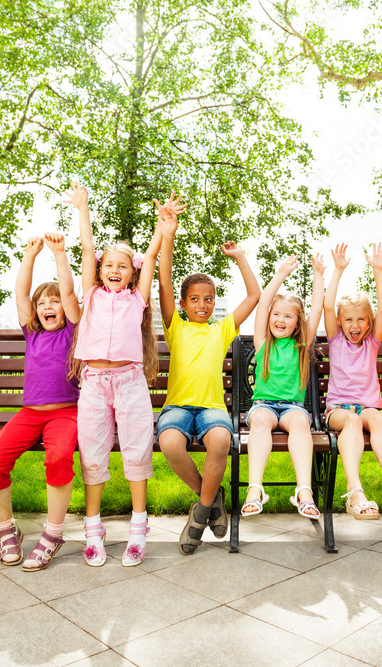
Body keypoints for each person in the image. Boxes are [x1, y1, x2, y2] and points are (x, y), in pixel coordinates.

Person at [68, 183, 182, 567]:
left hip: (131, 383)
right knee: (93, 455)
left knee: (136, 452)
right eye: (108, 265)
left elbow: (150, 256)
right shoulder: (92, 296)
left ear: (132, 276)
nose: (115, 270)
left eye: (122, 266)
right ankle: (93, 528)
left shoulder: (137, 298)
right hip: (95, 385)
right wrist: (83, 209)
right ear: (100, 271)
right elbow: (86, 249)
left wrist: (161, 227)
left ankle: (138, 527)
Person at [157, 209, 262, 555]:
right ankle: (211, 496)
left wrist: (240, 257)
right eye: (195, 299)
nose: (202, 305)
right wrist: (168, 236)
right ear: (184, 303)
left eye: (209, 299)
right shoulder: (176, 326)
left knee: (220, 441)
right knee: (171, 442)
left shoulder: (222, 329)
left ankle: (200, 515)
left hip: (212, 409)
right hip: (177, 408)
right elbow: (165, 284)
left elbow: (254, 296)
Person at [0, 232, 80, 571]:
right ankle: (7, 530)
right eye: (43, 303)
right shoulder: (32, 333)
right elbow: (21, 293)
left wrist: (60, 254)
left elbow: (68, 291)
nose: (49, 306)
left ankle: (52, 535)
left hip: (66, 414)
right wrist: (30, 256)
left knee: (59, 458)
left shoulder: (73, 332)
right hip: (29, 415)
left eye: (55, 302)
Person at [323, 243, 382, 523]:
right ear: (340, 322)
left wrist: (378, 271)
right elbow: (326, 303)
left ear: (369, 323)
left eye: (361, 320)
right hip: (339, 411)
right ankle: (355, 490)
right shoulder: (335, 340)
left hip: (369, 407)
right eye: (348, 319)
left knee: (379, 420)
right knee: (352, 421)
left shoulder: (372, 342)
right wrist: (337, 270)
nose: (355, 325)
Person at [242, 253, 325, 521]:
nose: (280, 319)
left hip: (293, 408)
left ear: (297, 323)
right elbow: (263, 302)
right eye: (276, 314)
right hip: (263, 406)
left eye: (288, 316)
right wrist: (281, 274)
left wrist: (318, 276)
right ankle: (255, 490)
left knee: (301, 424)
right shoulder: (263, 342)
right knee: (261, 422)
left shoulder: (302, 346)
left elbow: (317, 308)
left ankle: (304, 492)